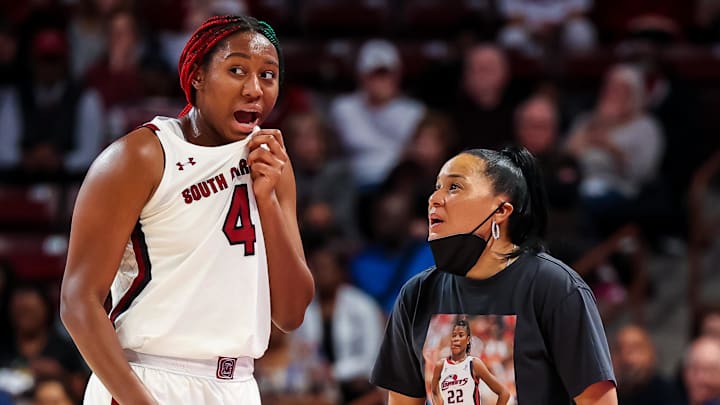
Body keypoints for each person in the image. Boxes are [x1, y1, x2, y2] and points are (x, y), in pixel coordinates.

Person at [59, 15, 314, 405]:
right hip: (146, 380)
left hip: (238, 385)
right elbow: (78, 302)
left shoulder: (273, 165)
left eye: (268, 75)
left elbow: (292, 313)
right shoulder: (140, 157)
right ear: (197, 76)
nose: (254, 89)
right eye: (236, 70)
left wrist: (267, 201)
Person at [370, 146, 617, 404]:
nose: (435, 198)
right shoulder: (416, 294)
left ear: (501, 210)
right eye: (437, 186)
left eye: (454, 187)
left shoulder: (554, 287)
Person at [430, 318, 510, 405]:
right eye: (454, 335)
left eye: (461, 335)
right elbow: (434, 392)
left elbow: (504, 393)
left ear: (468, 340)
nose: (456, 339)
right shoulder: (440, 365)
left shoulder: (474, 364)